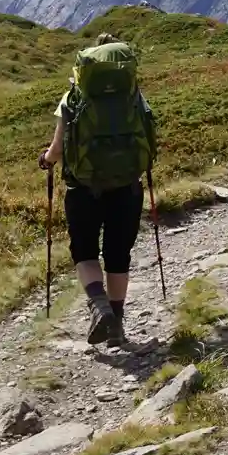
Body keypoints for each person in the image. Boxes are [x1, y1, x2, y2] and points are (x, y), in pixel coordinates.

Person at [38, 32, 157, 347]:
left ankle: (99, 306)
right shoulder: (134, 95)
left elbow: (59, 147)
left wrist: (45, 161)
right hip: (127, 187)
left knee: (85, 252)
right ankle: (116, 325)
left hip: (83, 189)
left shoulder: (74, 96)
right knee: (119, 254)